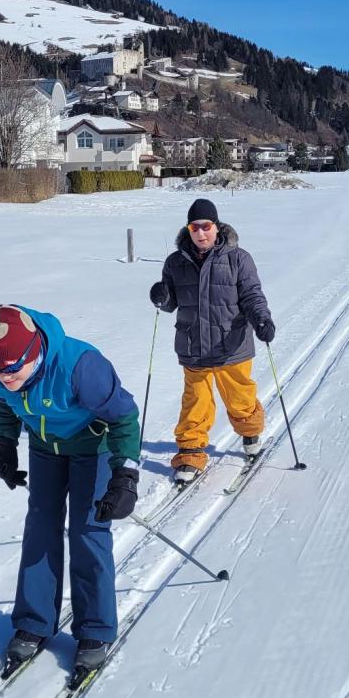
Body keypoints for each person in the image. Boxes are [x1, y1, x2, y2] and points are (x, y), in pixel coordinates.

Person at [0, 304, 140, 675]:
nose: (5, 379)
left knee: (87, 530)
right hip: (44, 448)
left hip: (93, 447)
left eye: (13, 370)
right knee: (40, 526)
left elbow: (123, 416)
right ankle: (34, 621)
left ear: (33, 353)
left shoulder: (80, 366)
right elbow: (2, 404)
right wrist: (5, 444)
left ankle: (95, 629)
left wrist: (125, 476)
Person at [149, 198, 274, 485]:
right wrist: (161, 297)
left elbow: (252, 295)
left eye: (206, 226)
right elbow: (171, 303)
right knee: (196, 402)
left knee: (239, 398)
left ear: (216, 227)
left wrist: (262, 320)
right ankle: (191, 452)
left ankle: (250, 432)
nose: (201, 233)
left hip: (232, 346)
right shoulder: (175, 262)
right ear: (188, 229)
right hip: (193, 346)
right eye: (194, 227)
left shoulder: (238, 258)